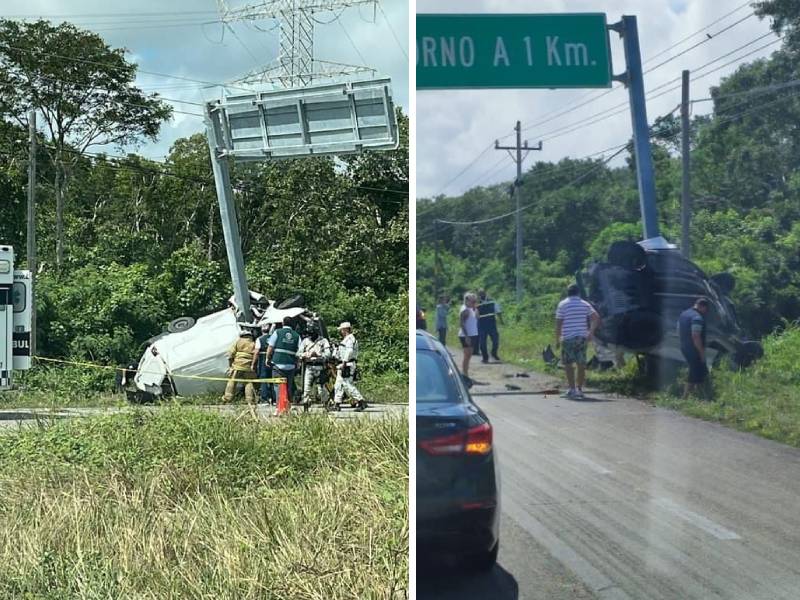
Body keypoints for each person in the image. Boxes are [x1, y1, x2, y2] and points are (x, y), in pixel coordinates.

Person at [555, 284, 600, 399]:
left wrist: (557, 338)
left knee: (568, 364)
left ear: (568, 293)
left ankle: (572, 389)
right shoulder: (585, 304)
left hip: (568, 338)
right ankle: (579, 389)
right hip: (581, 338)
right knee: (581, 364)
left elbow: (559, 323)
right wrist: (591, 332)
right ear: (578, 293)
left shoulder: (563, 304)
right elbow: (596, 318)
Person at [678, 297, 711, 399]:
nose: (705, 312)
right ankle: (685, 397)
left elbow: (678, 330)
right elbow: (696, 336)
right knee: (695, 371)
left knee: (699, 370)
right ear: (702, 306)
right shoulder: (697, 318)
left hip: (684, 346)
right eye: (706, 310)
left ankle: (699, 395)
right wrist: (701, 352)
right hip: (693, 349)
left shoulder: (683, 314)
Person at [265, 317, 300, 405]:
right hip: (291, 365)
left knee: (278, 386)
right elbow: (300, 351)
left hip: (278, 363)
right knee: (288, 386)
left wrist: (267, 358)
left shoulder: (277, 332)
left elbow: (270, 347)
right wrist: (297, 363)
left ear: (283, 323)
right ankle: (287, 406)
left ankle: (280, 407)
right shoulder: (297, 335)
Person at [297, 326, 332, 411]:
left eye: (311, 334)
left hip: (320, 366)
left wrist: (319, 355)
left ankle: (326, 404)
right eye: (309, 334)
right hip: (309, 366)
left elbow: (328, 354)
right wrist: (306, 354)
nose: (310, 336)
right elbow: (298, 353)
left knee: (321, 388)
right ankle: (306, 406)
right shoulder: (305, 341)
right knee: (306, 388)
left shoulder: (323, 341)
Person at [333, 322, 366, 411]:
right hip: (343, 364)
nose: (341, 331)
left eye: (342, 330)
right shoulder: (345, 339)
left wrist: (344, 362)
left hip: (347, 364)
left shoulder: (350, 339)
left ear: (346, 329)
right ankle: (337, 404)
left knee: (347, 384)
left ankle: (361, 401)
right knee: (338, 385)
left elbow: (349, 352)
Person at [224, 326, 257, 410]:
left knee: (232, 381)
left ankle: (228, 398)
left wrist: (231, 365)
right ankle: (250, 400)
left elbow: (231, 354)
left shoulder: (238, 342)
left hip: (237, 365)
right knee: (249, 383)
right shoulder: (253, 343)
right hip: (248, 367)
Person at [477, 289, 503, 362]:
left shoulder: (492, 301)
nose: (482, 295)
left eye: (483, 293)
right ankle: (485, 358)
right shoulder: (476, 303)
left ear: (485, 293)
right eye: (480, 294)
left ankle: (494, 353)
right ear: (478, 295)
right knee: (482, 343)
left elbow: (498, 311)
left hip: (491, 324)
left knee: (495, 340)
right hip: (481, 325)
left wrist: (501, 320)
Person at [251, 323, 275, 405]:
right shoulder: (273, 338)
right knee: (272, 379)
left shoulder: (259, 339)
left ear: (261, 329)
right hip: (272, 360)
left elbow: (257, 352)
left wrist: (253, 364)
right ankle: (274, 398)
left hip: (263, 359)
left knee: (263, 379)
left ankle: (265, 399)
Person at [457, 292, 479, 379]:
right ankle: (465, 374)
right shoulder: (465, 310)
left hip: (473, 334)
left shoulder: (472, 309)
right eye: (472, 301)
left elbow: (477, 318)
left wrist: (475, 308)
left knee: (469, 355)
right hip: (466, 335)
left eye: (475, 301)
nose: (474, 302)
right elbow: (462, 324)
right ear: (467, 301)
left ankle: (465, 373)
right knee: (467, 355)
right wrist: (466, 336)